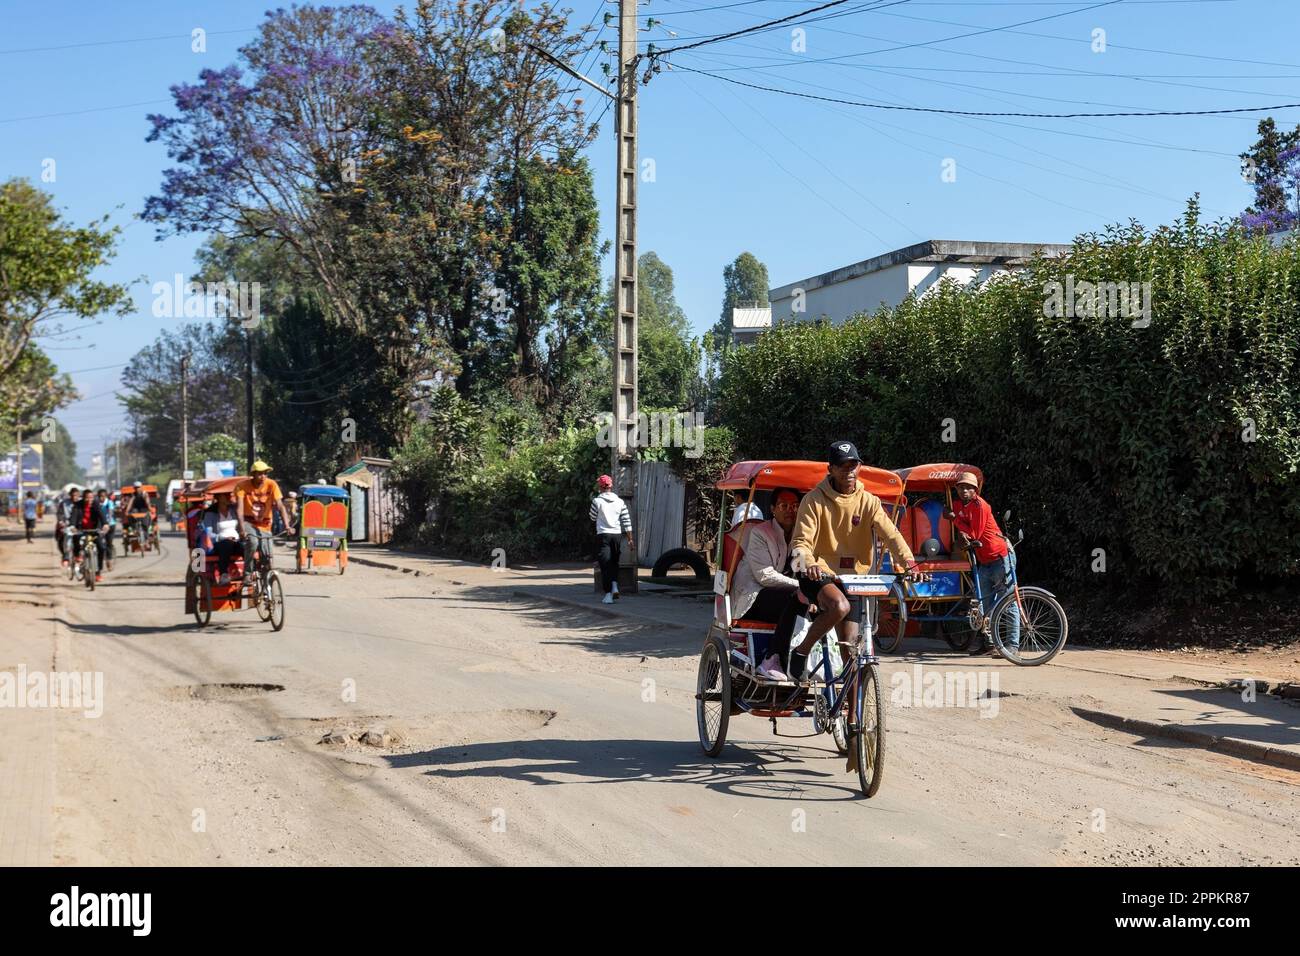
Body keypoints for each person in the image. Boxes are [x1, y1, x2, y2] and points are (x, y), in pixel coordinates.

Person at [787, 441, 926, 682]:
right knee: (840, 607)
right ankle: (801, 651)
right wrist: (809, 563)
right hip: (817, 575)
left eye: (853, 466)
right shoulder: (813, 500)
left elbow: (891, 534)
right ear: (831, 469)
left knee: (850, 650)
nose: (849, 471)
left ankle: (852, 719)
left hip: (853, 579)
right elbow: (801, 541)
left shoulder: (869, 501)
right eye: (842, 466)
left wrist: (909, 563)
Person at [730, 488, 809, 680]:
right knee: (797, 597)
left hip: (783, 597)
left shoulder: (803, 534)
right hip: (754, 597)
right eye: (784, 505)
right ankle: (771, 657)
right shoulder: (761, 533)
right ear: (773, 509)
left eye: (795, 506)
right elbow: (765, 576)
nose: (790, 510)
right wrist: (801, 588)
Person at [944, 472, 1018, 655]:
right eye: (961, 487)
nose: (964, 491)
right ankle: (989, 642)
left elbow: (974, 534)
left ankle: (1013, 645)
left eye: (969, 487)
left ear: (975, 490)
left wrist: (954, 519)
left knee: (1007, 601)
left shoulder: (981, 505)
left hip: (1000, 557)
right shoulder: (958, 505)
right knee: (985, 605)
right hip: (983, 560)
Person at [235, 461, 294, 577]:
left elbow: (280, 505)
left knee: (267, 555)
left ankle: (266, 583)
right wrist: (242, 529)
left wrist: (287, 526)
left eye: (265, 474)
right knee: (253, 542)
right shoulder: (242, 486)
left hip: (265, 524)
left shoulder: (272, 485)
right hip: (248, 523)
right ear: (253, 474)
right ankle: (247, 573)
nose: (263, 477)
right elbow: (239, 510)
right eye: (260, 474)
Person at [589, 474, 633, 604]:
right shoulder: (620, 502)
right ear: (611, 486)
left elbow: (592, 517)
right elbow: (626, 521)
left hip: (603, 535)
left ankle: (608, 594)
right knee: (614, 562)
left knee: (605, 565)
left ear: (600, 487)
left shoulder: (597, 501)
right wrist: (630, 539)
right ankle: (614, 586)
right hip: (617, 535)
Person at [200, 491, 243, 584]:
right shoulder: (210, 513)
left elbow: (241, 526)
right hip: (219, 543)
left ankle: (249, 572)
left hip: (236, 541)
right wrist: (222, 537)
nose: (229, 497)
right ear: (218, 497)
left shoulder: (235, 510)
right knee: (227, 544)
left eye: (230, 495)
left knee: (248, 545)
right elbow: (209, 533)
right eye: (225, 495)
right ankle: (223, 574)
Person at [72, 487, 107, 582]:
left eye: (91, 497)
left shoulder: (96, 504)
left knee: (101, 547)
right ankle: (77, 556)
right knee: (75, 538)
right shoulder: (77, 505)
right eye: (87, 498)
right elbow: (74, 516)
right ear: (83, 498)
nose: (90, 500)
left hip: (94, 530)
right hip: (81, 529)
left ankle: (98, 572)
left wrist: (105, 524)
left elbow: (101, 514)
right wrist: (72, 526)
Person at [56, 488, 80, 566]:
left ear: (79, 495)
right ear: (70, 495)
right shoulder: (64, 503)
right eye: (73, 495)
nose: (74, 497)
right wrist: (61, 521)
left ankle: (80, 555)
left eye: (76, 496)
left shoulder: (81, 503)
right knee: (62, 539)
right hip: (66, 524)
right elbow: (59, 513)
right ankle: (65, 556)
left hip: (78, 525)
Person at [96, 488, 116, 570]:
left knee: (108, 543)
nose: (101, 498)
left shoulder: (109, 503)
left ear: (106, 496)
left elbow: (110, 512)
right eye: (100, 496)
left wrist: (107, 522)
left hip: (110, 524)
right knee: (99, 542)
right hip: (99, 525)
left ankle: (109, 560)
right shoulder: (96, 503)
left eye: (103, 496)